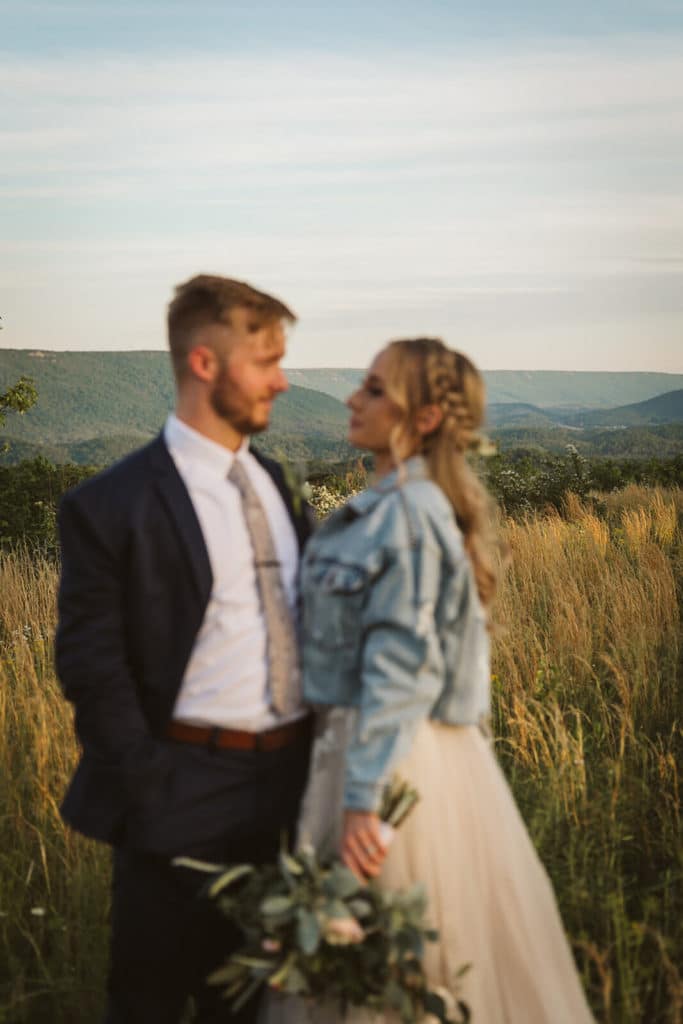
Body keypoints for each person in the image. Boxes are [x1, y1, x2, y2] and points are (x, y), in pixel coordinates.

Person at [264, 337, 595, 1022]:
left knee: (395, 978)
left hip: (390, 766)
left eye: (376, 389)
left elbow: (400, 666)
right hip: (365, 755)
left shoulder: (410, 515)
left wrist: (363, 803)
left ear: (423, 421)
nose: (354, 397)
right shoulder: (389, 506)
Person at [55, 274, 314, 1024]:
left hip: (292, 797)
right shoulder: (111, 504)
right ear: (205, 363)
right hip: (179, 792)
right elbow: (90, 666)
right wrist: (152, 786)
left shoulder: (276, 485)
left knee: (265, 1006)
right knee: (152, 1002)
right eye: (265, 361)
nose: (282, 380)